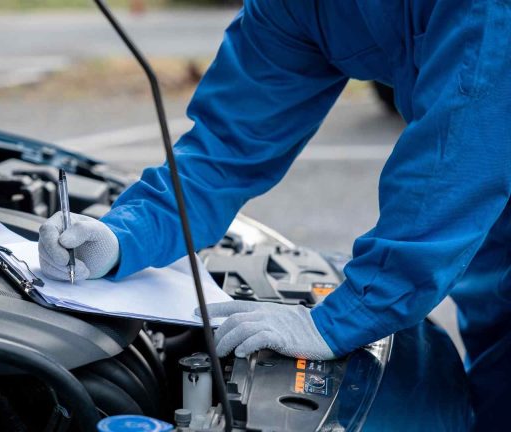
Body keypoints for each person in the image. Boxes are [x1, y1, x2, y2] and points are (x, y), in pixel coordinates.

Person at [38, 1, 511, 429]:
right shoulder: (297, 7)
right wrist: (122, 235)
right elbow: (225, 146)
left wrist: (341, 320)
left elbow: (457, 156)